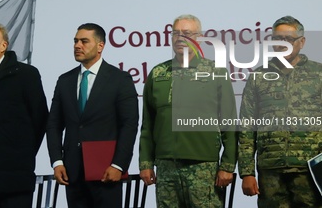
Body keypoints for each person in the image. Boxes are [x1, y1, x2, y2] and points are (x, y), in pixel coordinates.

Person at [139, 14, 238, 208]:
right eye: (176, 33)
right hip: (166, 167)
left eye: (187, 33)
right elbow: (148, 123)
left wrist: (227, 166)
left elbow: (230, 121)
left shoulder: (215, 71)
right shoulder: (158, 73)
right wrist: (145, 163)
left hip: (203, 167)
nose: (180, 38)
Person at [46, 23, 139, 207]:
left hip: (106, 171)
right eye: (75, 41)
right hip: (72, 173)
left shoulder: (120, 80)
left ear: (100, 46)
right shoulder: (64, 81)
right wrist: (57, 161)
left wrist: (118, 165)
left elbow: (129, 125)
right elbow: (53, 125)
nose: (77, 45)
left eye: (84, 41)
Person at [238, 15, 322, 207]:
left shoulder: (318, 74)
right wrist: (247, 172)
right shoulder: (258, 76)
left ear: (301, 42)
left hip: (309, 172)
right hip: (270, 172)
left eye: (289, 39)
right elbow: (246, 127)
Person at [0, 23, 48, 208]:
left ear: (3, 46)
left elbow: (40, 119)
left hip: (15, 181)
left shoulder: (26, 75)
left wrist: (21, 153)